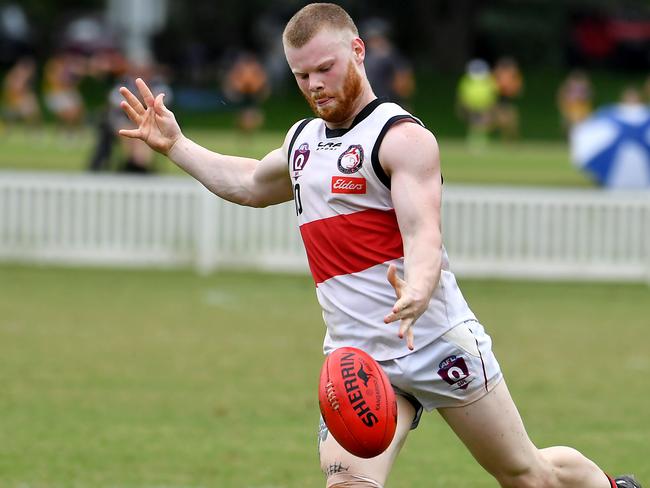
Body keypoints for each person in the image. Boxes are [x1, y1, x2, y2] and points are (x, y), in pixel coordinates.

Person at [118, 4, 641, 488]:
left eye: (324, 68)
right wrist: (178, 146)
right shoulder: (302, 142)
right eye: (301, 76)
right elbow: (252, 183)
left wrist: (417, 287)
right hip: (357, 361)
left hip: (435, 342)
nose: (315, 85)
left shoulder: (401, 137)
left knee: (528, 474)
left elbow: (423, 234)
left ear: (358, 51)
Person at [456, 58, 498, 149]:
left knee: (483, 125)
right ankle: (473, 143)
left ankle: (482, 142)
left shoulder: (489, 80)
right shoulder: (466, 80)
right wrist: (463, 104)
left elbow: (493, 93)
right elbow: (462, 93)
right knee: (474, 125)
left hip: (484, 106)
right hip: (471, 106)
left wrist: (491, 105)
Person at [492, 56, 523, 141]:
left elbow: (518, 90)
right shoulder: (499, 74)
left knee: (511, 122)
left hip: (508, 100)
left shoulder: (514, 76)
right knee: (503, 120)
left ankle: (511, 140)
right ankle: (507, 139)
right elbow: (494, 87)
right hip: (500, 100)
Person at [557, 69, 593, 134]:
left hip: (581, 107)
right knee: (569, 123)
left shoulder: (583, 85)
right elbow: (562, 94)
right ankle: (570, 136)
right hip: (572, 106)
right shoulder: (570, 84)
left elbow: (589, 95)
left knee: (581, 124)